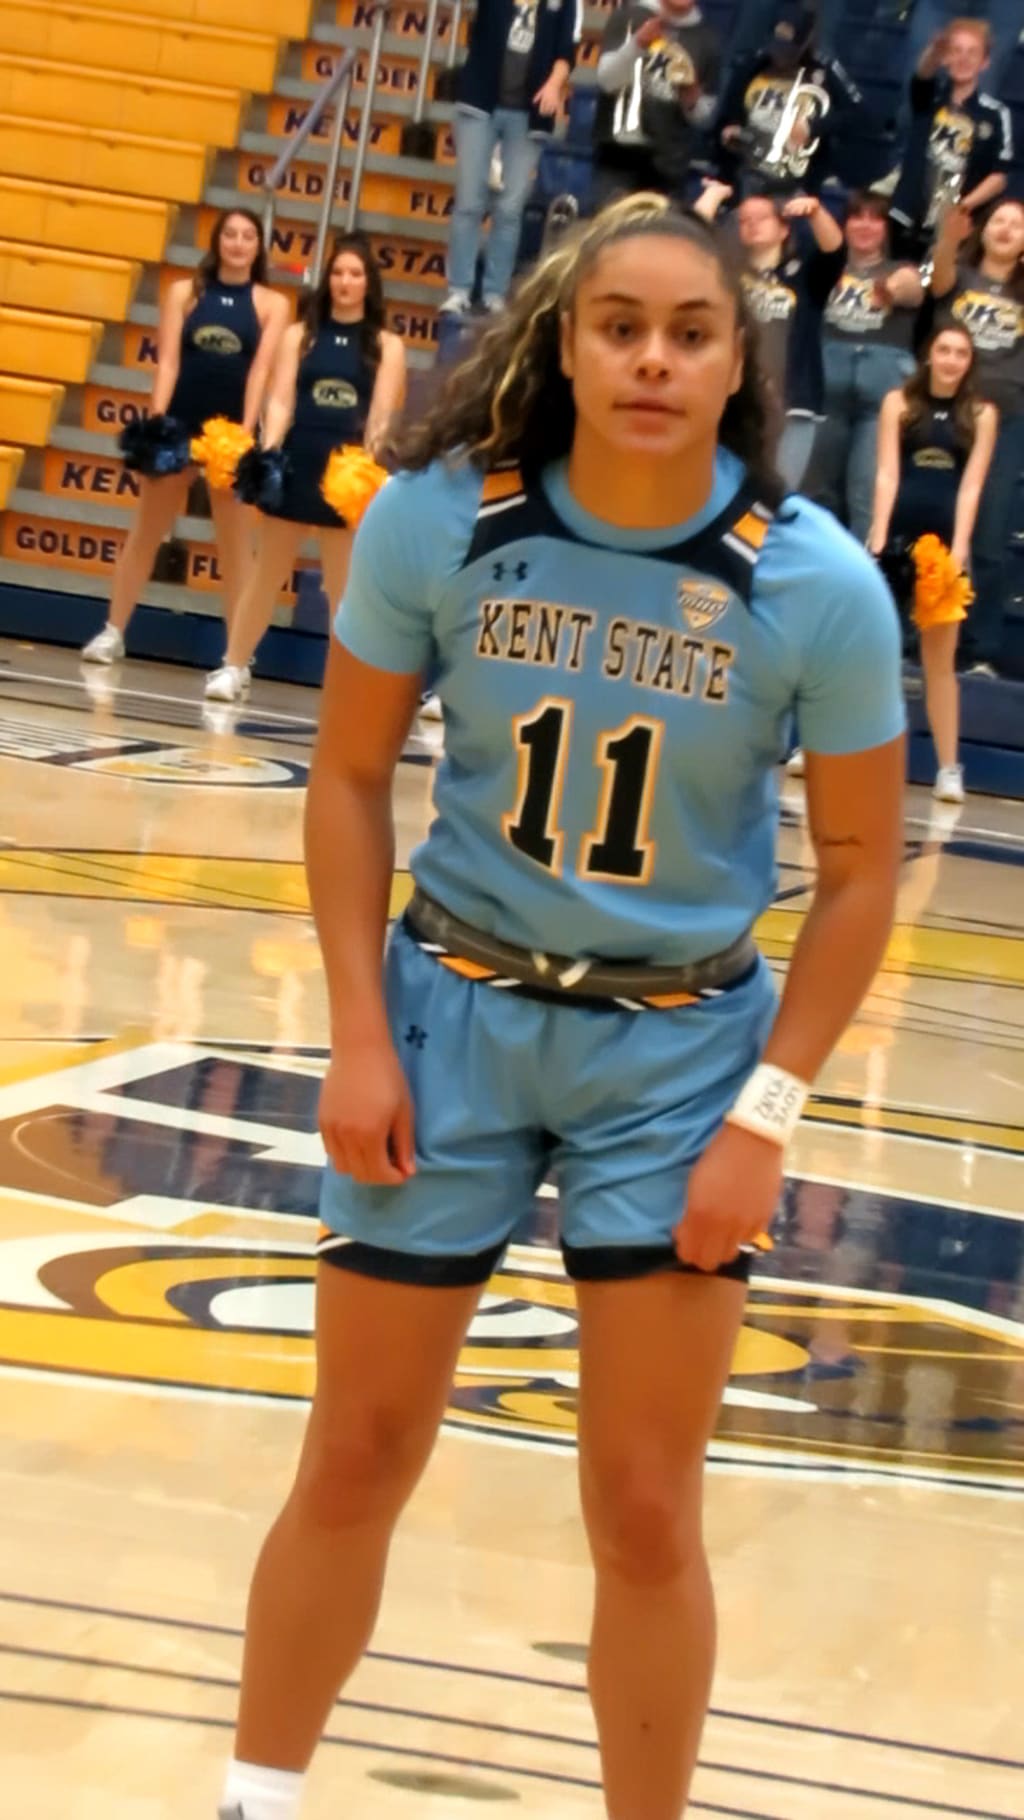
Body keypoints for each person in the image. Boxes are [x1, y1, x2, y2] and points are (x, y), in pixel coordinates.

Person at [218, 192, 905, 1820]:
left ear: (737, 363)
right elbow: (344, 777)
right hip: (447, 1020)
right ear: (566, 344)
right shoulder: (438, 518)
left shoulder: (814, 583)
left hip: (678, 1060)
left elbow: (862, 869)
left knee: (646, 1508)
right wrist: (356, 1036)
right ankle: (253, 1800)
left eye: (689, 333)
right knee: (354, 1454)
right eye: (620, 328)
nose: (653, 359)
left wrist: (767, 1115)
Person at [204, 236, 406, 704]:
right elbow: (280, 401)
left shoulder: (386, 345)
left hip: (345, 475)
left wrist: (364, 467)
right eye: (338, 273)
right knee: (266, 575)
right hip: (298, 463)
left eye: (355, 274)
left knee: (343, 589)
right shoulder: (300, 335)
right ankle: (233, 665)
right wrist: (269, 453)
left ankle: (344, 685)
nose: (345, 282)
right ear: (327, 279)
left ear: (369, 283)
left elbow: (381, 416)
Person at [81, 210, 288, 665]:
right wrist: (158, 424)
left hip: (228, 436)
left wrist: (244, 434)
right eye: (230, 235)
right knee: (145, 533)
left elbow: (261, 372)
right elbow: (169, 363)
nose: (238, 243)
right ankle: (113, 631)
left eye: (247, 236)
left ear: (258, 247)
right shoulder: (184, 293)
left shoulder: (272, 304)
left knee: (235, 549)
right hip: (180, 427)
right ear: (217, 242)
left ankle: (238, 655)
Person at [869, 323, 996, 802]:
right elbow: (886, 472)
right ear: (929, 355)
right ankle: (828, 748)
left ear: (970, 361)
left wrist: (959, 549)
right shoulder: (898, 404)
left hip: (943, 550)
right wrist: (879, 534)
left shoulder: (981, 415)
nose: (951, 360)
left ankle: (948, 769)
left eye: (961, 353)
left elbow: (972, 486)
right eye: (944, 350)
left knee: (938, 664)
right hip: (898, 540)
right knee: (869, 651)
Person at [696, 180, 845, 488]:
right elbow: (691, 240)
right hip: (734, 400)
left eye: (761, 218)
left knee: (776, 493)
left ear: (784, 228)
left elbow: (834, 251)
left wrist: (816, 213)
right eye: (744, 220)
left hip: (792, 404)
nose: (751, 225)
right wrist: (714, 195)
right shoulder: (728, 273)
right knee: (719, 487)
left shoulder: (804, 275)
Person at [440, 0, 582, 318]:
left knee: (509, 209)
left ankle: (494, 294)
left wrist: (554, 85)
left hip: (529, 115)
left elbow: (566, 50)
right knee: (469, 202)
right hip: (480, 104)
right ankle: (458, 290)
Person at [930, 196, 1024, 674]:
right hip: (947, 414)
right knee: (935, 523)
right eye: (999, 220)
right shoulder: (960, 277)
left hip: (1007, 419)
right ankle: (923, 634)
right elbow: (938, 279)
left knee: (989, 535)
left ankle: (980, 648)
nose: (1006, 229)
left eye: (1017, 225)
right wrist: (949, 237)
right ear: (983, 230)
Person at [811, 191, 924, 541]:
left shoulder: (900, 269)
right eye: (856, 217)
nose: (865, 225)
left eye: (875, 218)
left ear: (886, 228)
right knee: (818, 492)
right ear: (844, 224)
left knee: (867, 494)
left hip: (881, 394)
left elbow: (913, 289)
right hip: (826, 388)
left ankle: (862, 568)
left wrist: (890, 288)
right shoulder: (826, 267)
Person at [715, 2, 864, 199]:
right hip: (748, 168)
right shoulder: (753, 65)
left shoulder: (825, 69)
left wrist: (813, 127)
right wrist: (732, 127)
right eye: (776, 47)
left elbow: (857, 115)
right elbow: (728, 113)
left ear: (805, 43)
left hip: (797, 177)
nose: (779, 55)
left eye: (788, 50)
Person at [890, 20, 1013, 258]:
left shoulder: (996, 114)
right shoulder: (929, 96)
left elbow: (999, 176)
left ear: (985, 62)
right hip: (905, 214)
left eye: (972, 52)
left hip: (952, 226)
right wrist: (935, 50)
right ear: (945, 57)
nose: (963, 59)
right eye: (956, 50)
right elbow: (923, 74)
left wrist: (961, 206)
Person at [591, 0, 722, 210]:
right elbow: (606, 81)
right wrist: (637, 45)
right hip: (618, 156)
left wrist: (692, 95)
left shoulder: (708, 39)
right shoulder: (627, 17)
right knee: (610, 228)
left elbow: (705, 118)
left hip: (669, 165)